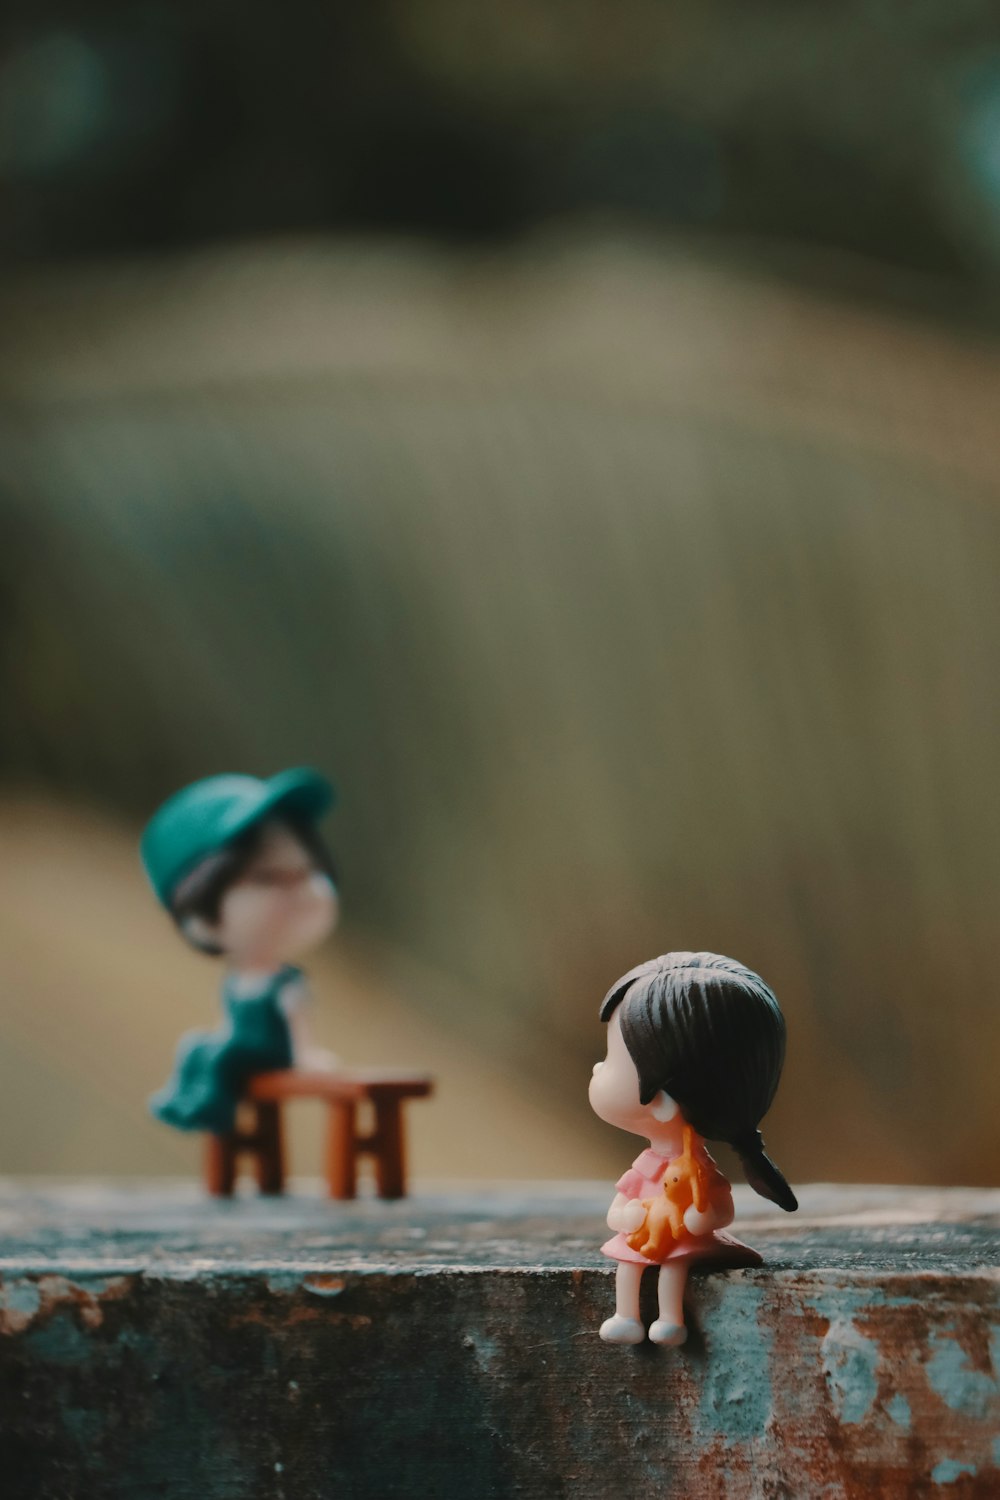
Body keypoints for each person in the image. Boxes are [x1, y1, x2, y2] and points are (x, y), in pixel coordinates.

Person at [589, 951, 797, 1346]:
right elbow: (620, 1205)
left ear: (664, 1102)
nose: (597, 1069)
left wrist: (702, 1220)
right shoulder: (649, 1165)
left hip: (676, 1239)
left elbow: (720, 1207)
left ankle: (670, 1318)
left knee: (673, 1267)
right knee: (627, 1266)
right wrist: (626, 1215)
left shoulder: (696, 1169)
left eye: (611, 1059)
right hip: (642, 1233)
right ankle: (626, 1315)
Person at [141, 768, 340, 1134]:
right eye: (267, 878)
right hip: (244, 1048)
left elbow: (297, 1018)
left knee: (221, 1056)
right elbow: (230, 1023)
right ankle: (182, 1101)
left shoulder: (283, 982)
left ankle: (213, 1109)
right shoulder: (240, 979)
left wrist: (306, 1057)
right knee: (197, 1046)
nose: (298, 893)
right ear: (199, 911)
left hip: (270, 1053)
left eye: (308, 873)